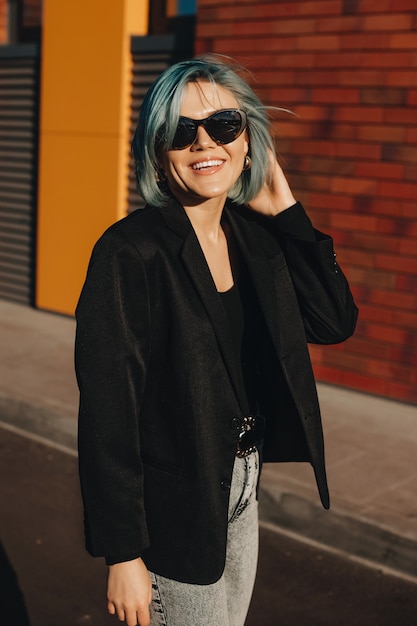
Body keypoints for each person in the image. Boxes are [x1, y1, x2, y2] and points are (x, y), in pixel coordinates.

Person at [75, 56, 358, 626]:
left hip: (241, 485)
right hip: (173, 507)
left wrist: (287, 213)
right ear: (159, 152)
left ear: (249, 138)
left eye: (224, 125)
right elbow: (109, 414)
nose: (205, 143)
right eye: (182, 132)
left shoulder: (254, 236)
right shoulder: (129, 254)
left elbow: (333, 321)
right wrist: (124, 553)